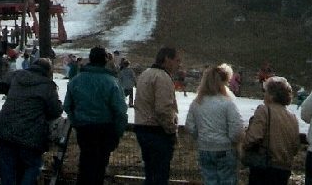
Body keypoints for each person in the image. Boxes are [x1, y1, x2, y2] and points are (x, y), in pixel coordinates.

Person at [63, 46, 128, 185]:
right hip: (105, 129)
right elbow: (121, 110)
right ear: (105, 60)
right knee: (99, 168)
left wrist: (76, 122)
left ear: (90, 59)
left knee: (85, 164)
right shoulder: (111, 82)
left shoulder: (76, 80)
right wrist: (117, 132)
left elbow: (67, 105)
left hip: (84, 129)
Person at [0, 57, 61, 185]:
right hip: (30, 134)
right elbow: (56, 110)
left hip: (5, 129)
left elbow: (5, 79)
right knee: (33, 165)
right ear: (48, 71)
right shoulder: (47, 85)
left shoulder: (17, 75)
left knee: (7, 169)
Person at [184, 64, 244, 185]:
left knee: (209, 180)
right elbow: (237, 129)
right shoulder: (227, 103)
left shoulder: (197, 103)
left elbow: (190, 126)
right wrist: (232, 141)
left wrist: (200, 136)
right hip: (224, 148)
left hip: (205, 148)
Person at [134, 46, 181, 185]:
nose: (179, 64)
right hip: (157, 131)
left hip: (142, 128)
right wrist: (171, 130)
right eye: (177, 60)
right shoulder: (163, 78)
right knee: (160, 175)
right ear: (167, 59)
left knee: (150, 173)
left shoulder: (144, 74)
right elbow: (163, 109)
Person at [241, 77, 301, 185]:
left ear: (272, 95)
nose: (264, 95)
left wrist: (243, 147)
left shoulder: (264, 110)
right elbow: (295, 146)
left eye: (266, 91)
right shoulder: (292, 117)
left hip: (265, 166)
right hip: (284, 168)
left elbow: (254, 137)